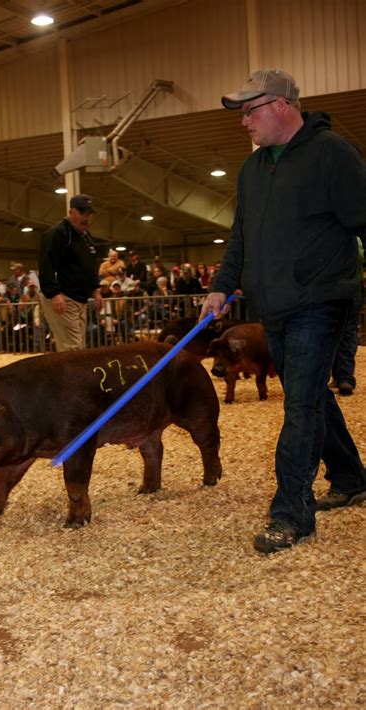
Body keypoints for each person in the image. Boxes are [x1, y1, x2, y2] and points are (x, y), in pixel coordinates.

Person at [199, 68, 366, 554]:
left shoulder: (332, 153)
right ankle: (352, 477)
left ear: (281, 105)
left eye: (250, 111)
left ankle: (292, 512)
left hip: (321, 300)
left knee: (300, 407)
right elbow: (241, 238)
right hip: (274, 307)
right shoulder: (252, 170)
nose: (244, 122)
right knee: (309, 395)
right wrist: (221, 287)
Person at [39, 194, 103, 351]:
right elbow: (46, 264)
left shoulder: (86, 236)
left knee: (77, 346)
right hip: (63, 297)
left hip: (79, 299)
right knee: (72, 348)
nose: (86, 217)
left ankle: (61, 373)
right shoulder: (58, 233)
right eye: (82, 213)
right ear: (71, 212)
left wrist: (96, 291)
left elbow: (90, 266)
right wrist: (54, 294)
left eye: (89, 214)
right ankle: (69, 375)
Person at [330, 237, 364, 396]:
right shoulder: (357, 241)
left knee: (330, 334)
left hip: (330, 293)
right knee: (348, 334)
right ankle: (344, 377)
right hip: (352, 290)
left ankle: (338, 376)